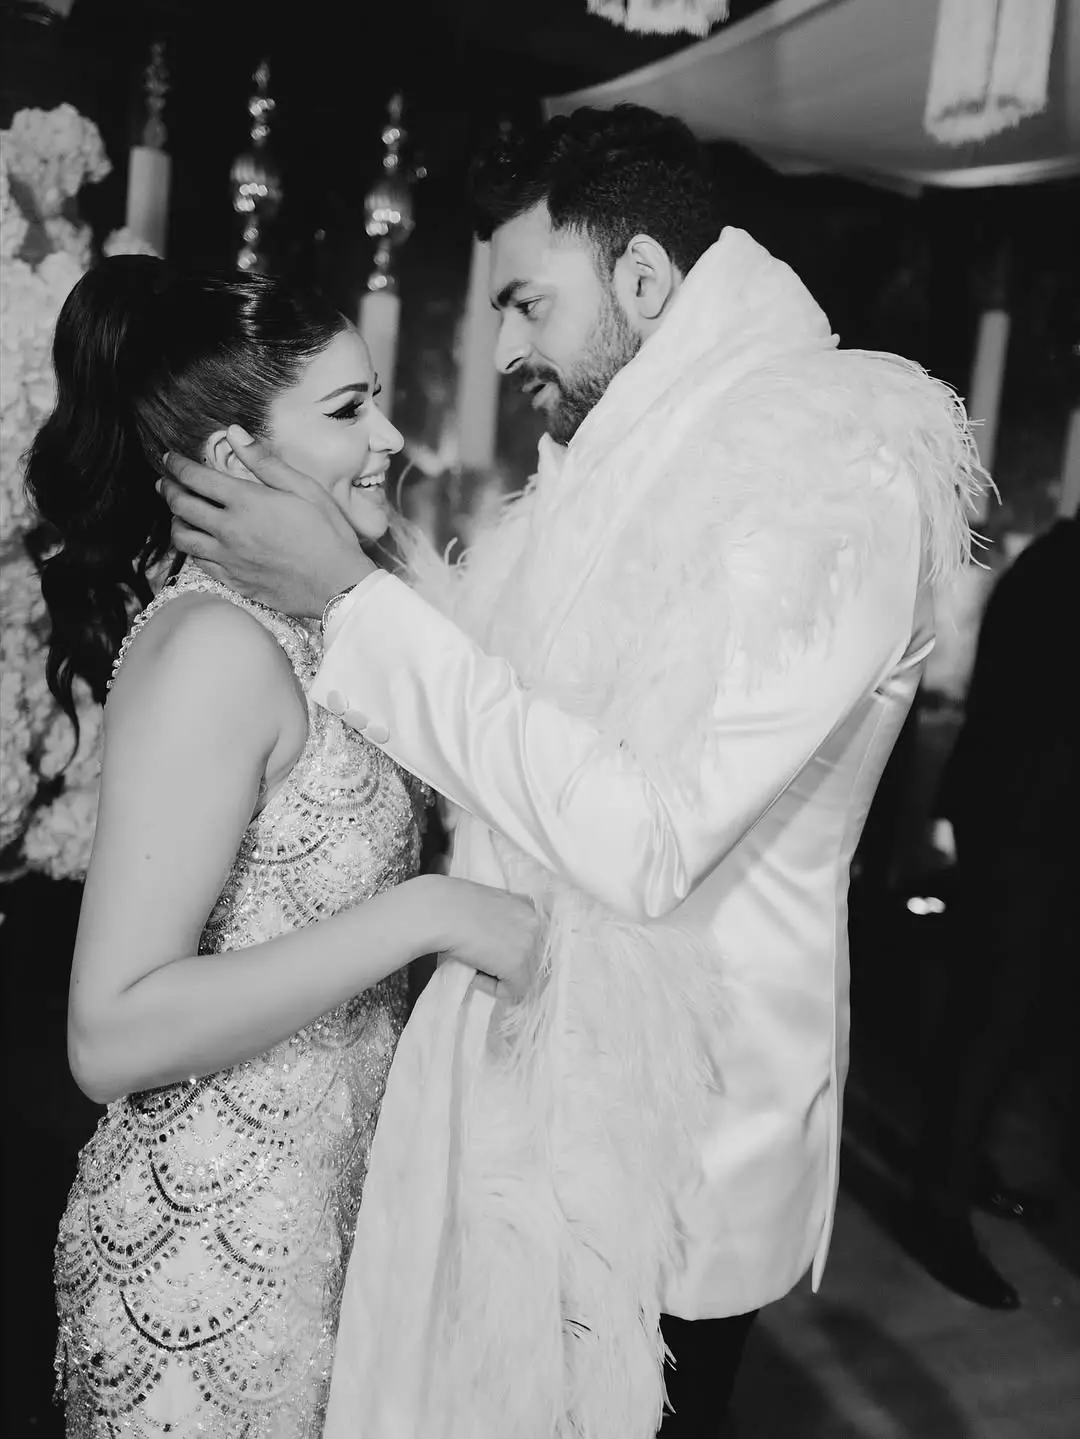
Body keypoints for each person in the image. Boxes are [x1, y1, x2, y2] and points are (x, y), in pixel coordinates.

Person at [160, 105, 983, 1438]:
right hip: (514, 1097)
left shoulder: (831, 472)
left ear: (643, 277)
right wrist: (352, 570)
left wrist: (356, 607)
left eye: (528, 302)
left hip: (666, 1143)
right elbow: (518, 700)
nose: (503, 349)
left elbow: (648, 836)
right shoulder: (622, 458)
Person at [26, 256, 539, 1438]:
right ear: (236, 458)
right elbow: (109, 1032)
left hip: (335, 1230)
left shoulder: (326, 619)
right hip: (215, 1271)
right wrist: (428, 912)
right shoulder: (216, 646)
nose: (392, 436)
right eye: (350, 409)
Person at [912, 514, 1079, 1309]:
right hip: (1021, 826)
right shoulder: (1058, 568)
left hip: (1025, 821)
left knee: (1002, 1019)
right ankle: (938, 1210)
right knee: (989, 1019)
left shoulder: (1051, 560)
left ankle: (960, 1170)